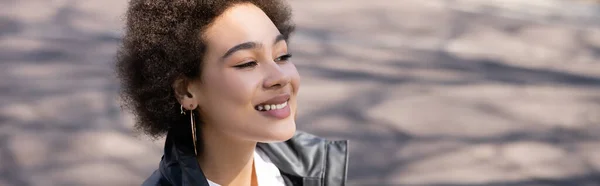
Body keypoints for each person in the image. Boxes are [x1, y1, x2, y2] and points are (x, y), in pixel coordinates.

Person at [115, 0, 349, 185]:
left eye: (282, 56)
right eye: (247, 63)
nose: (280, 76)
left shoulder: (310, 172)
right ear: (186, 91)